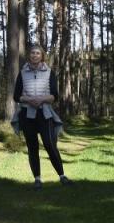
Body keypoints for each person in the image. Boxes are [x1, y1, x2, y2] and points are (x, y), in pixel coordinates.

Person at [12, 44, 71, 189]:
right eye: (32, 53)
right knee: (32, 147)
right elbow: (16, 96)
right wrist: (29, 100)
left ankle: (62, 176)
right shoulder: (22, 73)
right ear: (29, 55)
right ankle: (37, 179)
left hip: (45, 114)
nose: (35, 55)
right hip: (27, 114)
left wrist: (42, 99)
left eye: (38, 53)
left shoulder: (49, 72)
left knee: (50, 144)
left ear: (42, 56)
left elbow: (55, 95)